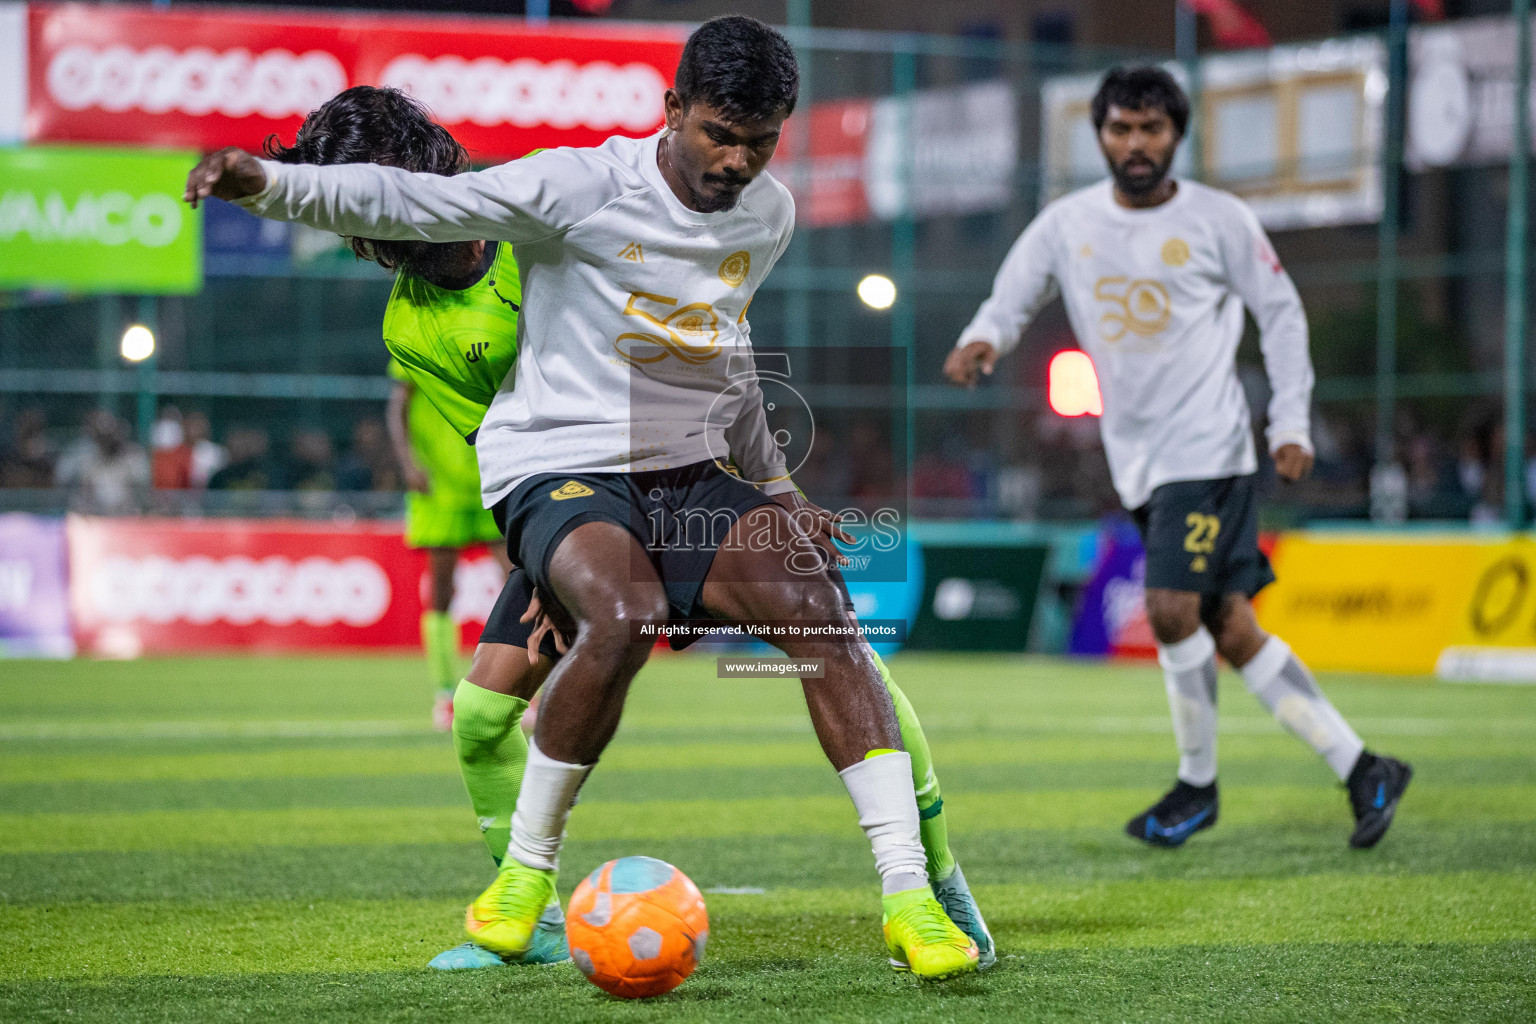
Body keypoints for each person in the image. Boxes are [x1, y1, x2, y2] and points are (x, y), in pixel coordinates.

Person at [244, 75, 991, 976]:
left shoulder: (544, 215)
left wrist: (773, 481)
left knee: (828, 630)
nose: (367, 232)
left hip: (674, 470)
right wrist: (547, 565)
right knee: (481, 717)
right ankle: (536, 916)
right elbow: (498, 442)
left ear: (424, 173)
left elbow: (707, 335)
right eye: (349, 217)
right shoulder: (414, 326)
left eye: (372, 196)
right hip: (567, 500)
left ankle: (935, 877)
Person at [944, 66, 1411, 850]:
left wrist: (1290, 422)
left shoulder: (1219, 220)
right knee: (1228, 625)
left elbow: (1283, 314)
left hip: (1210, 447)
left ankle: (1197, 786)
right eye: (1121, 128)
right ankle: (1364, 766)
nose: (1135, 143)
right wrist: (981, 339)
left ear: (1176, 137)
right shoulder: (1068, 222)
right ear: (1099, 135)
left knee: (1169, 608)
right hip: (1136, 457)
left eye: (1151, 129)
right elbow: (1012, 293)